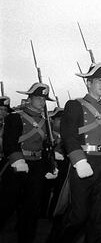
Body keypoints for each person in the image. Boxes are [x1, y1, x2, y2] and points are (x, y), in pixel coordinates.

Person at [57, 62, 101, 243]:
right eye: (98, 81)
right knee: (79, 216)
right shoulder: (74, 105)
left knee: (99, 216)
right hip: (84, 161)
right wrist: (79, 160)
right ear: (88, 83)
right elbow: (68, 134)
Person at [0, 83, 58, 243]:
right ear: (30, 99)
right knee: (6, 204)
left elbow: (46, 146)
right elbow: (9, 142)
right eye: (38, 98)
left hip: (37, 166)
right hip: (17, 164)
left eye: (44, 99)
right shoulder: (15, 117)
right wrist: (18, 160)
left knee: (31, 208)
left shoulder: (46, 122)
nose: (41, 101)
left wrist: (50, 165)